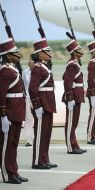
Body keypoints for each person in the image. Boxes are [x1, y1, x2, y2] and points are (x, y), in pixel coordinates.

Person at [0, 38, 28, 184]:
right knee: (6, 144)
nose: (18, 54)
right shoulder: (5, 71)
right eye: (14, 53)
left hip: (17, 111)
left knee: (14, 143)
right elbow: (1, 94)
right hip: (10, 112)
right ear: (8, 55)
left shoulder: (13, 69)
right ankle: (7, 173)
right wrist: (3, 115)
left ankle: (14, 171)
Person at [29, 38, 57, 169]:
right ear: (41, 53)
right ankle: (37, 161)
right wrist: (37, 105)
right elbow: (32, 88)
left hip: (48, 103)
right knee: (40, 134)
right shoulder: (38, 68)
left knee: (47, 133)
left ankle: (44, 159)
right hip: (42, 104)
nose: (50, 53)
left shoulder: (44, 66)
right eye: (47, 51)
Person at [62, 39, 87, 154]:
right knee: (71, 122)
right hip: (73, 97)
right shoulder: (72, 65)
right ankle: (71, 147)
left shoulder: (75, 63)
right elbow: (67, 82)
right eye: (78, 50)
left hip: (77, 96)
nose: (81, 51)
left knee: (75, 122)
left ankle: (74, 144)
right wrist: (70, 98)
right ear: (73, 52)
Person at [22, 54, 37, 147]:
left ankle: (38, 137)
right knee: (28, 119)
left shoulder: (40, 70)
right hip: (28, 98)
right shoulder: (25, 71)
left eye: (30, 60)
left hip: (38, 97)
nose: (28, 62)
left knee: (39, 118)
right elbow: (23, 85)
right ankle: (29, 139)